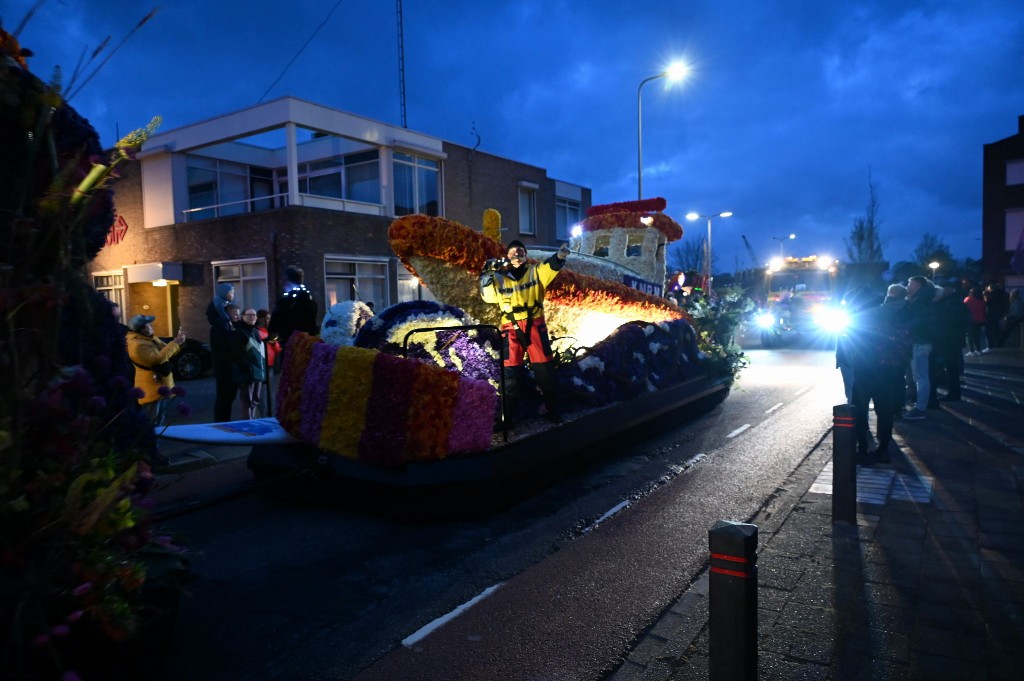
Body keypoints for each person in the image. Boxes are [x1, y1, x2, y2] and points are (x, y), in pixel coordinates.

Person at [480, 239, 570, 423]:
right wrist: (487, 273)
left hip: (535, 325)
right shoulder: (498, 277)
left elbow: (550, 267)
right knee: (510, 374)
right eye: (512, 252)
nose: (517, 255)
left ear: (526, 254)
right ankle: (505, 420)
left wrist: (560, 256)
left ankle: (553, 411)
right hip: (510, 328)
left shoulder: (535, 272)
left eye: (520, 251)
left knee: (545, 370)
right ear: (507, 256)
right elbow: (488, 297)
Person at [842, 287, 910, 463]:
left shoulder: (862, 318)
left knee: (860, 409)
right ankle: (883, 448)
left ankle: (863, 447)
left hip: (864, 368)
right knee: (885, 410)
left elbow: (850, 342)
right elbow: (904, 341)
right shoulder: (897, 316)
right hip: (887, 370)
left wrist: (852, 358)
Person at [126, 314, 185, 427]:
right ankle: (149, 443)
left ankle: (154, 442)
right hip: (151, 386)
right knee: (151, 421)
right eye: (149, 325)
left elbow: (167, 352)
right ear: (141, 329)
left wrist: (177, 342)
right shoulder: (137, 345)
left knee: (159, 419)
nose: (152, 327)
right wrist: (175, 343)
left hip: (160, 383)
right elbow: (157, 359)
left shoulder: (149, 338)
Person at [269, 265, 318, 366]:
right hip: (307, 342)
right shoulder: (310, 298)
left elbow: (275, 319)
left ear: (287, 280)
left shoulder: (286, 300)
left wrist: (272, 334)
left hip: (290, 343)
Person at [903, 276, 936, 420]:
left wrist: (904, 327)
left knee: (921, 377)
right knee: (920, 376)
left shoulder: (920, 300)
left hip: (920, 342)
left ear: (917, 284)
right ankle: (920, 405)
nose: (908, 285)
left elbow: (920, 320)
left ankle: (921, 408)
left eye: (910, 282)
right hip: (920, 341)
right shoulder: (921, 298)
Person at [207, 282, 237, 422]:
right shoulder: (220, 323)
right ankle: (221, 422)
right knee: (224, 394)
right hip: (224, 365)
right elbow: (223, 346)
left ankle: (224, 420)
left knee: (228, 395)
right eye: (231, 292)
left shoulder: (223, 315)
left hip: (227, 364)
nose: (233, 295)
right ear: (225, 293)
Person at [232, 308, 267, 419]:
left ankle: (253, 424)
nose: (252, 317)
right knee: (247, 402)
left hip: (258, 373)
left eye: (254, 315)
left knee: (255, 401)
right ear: (243, 317)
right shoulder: (240, 333)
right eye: (249, 315)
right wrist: (247, 368)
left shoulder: (256, 332)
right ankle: (247, 427)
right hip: (247, 374)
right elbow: (237, 354)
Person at [963, 286, 986, 356]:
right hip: (980, 319)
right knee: (977, 335)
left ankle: (971, 350)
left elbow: (964, 307)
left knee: (970, 336)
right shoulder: (981, 300)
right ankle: (978, 350)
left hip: (971, 320)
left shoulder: (968, 299)